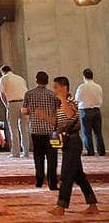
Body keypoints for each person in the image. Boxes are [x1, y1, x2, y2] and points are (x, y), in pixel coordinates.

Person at [49, 75, 98, 217]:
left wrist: (63, 98)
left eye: (56, 87)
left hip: (73, 142)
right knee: (78, 176)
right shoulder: (59, 103)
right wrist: (44, 117)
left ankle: (61, 206)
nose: (54, 90)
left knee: (66, 175)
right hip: (66, 143)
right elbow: (58, 122)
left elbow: (70, 115)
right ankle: (92, 204)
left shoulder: (71, 102)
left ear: (64, 87)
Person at [23, 71, 60, 191]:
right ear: (47, 81)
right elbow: (58, 110)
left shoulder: (29, 94)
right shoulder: (53, 94)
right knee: (52, 157)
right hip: (51, 130)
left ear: (36, 80)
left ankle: (39, 180)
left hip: (35, 130)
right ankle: (52, 183)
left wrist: (32, 112)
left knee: (38, 156)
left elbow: (24, 111)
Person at [0, 65, 29, 159]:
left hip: (13, 103)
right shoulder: (20, 78)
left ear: (3, 72)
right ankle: (26, 152)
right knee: (24, 129)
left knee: (13, 129)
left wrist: (6, 105)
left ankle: (16, 152)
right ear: (11, 70)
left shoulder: (4, 78)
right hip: (24, 103)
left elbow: (2, 93)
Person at [76, 69, 105, 157]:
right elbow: (100, 98)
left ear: (84, 76)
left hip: (85, 111)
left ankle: (90, 151)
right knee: (98, 132)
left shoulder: (82, 87)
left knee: (86, 133)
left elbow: (77, 99)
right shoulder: (98, 86)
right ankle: (101, 151)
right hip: (96, 110)